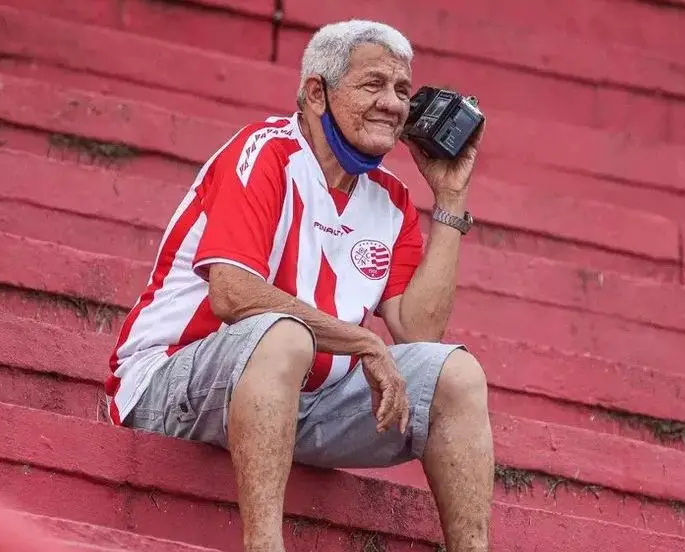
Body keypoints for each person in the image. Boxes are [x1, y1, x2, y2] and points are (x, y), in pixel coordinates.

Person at [104, 19, 493, 552]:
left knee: (457, 373)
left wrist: (449, 201)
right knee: (283, 335)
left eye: (403, 90)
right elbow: (233, 294)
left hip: (302, 401)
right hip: (173, 384)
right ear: (316, 92)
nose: (394, 104)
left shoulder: (393, 198)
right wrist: (361, 341)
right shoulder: (266, 150)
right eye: (373, 84)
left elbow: (420, 331)